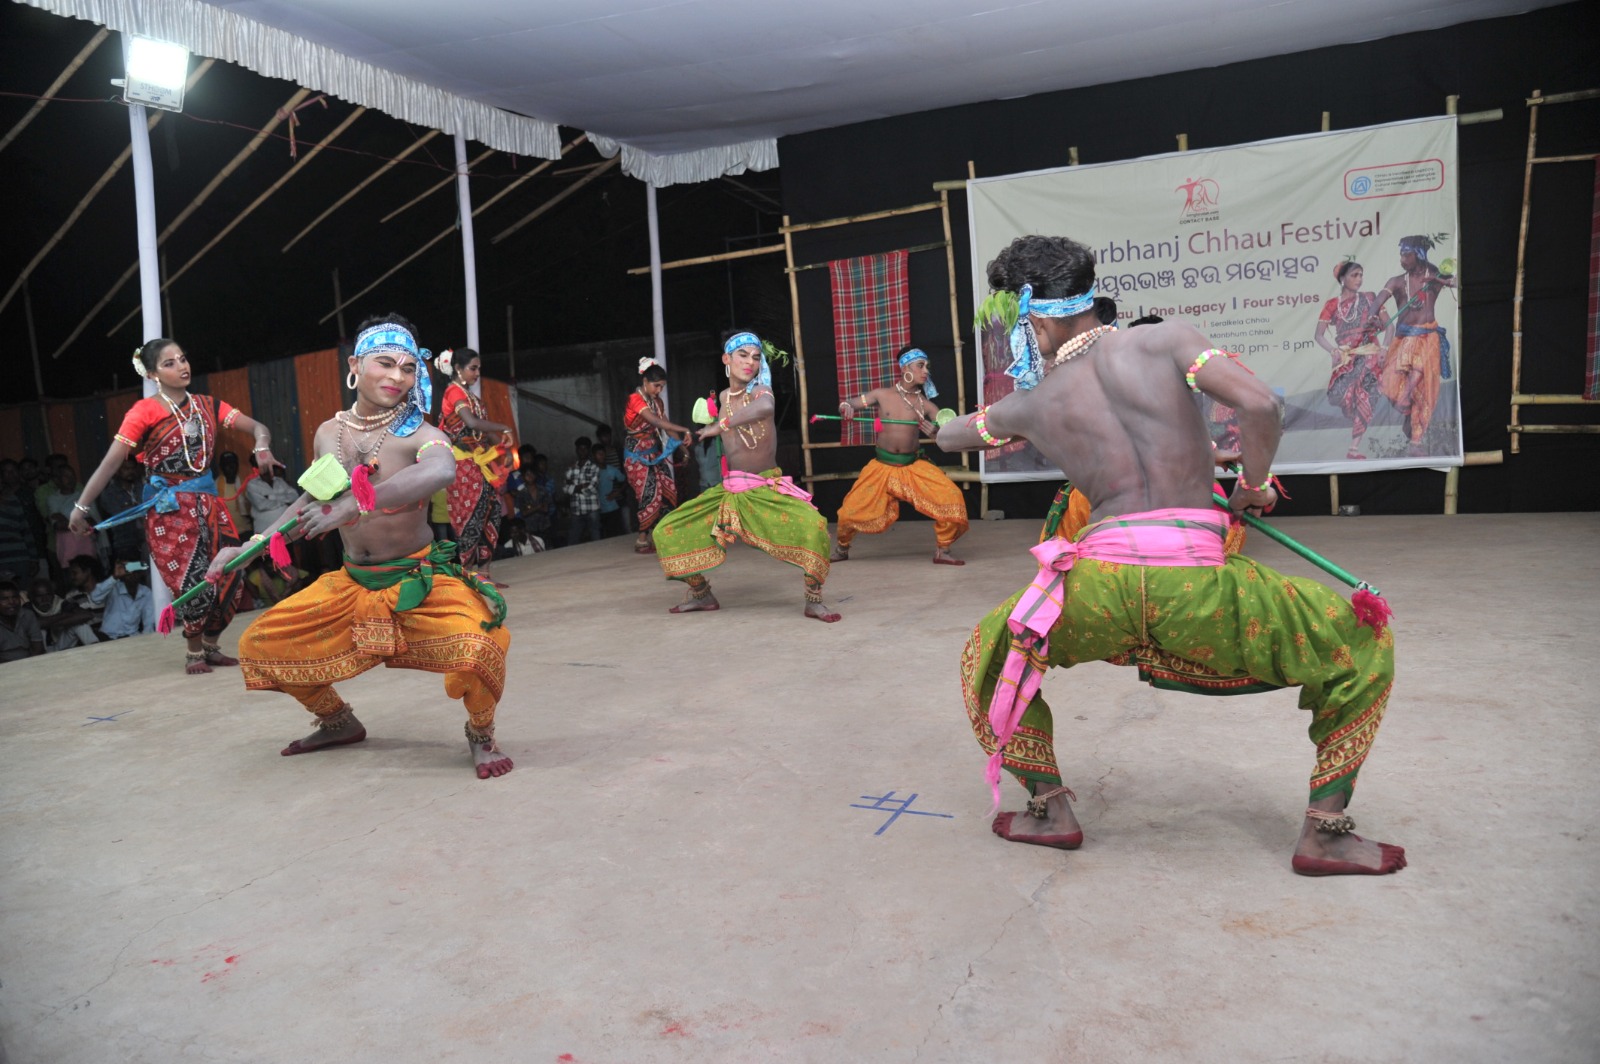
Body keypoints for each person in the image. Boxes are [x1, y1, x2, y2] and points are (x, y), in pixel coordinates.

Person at [937, 234, 1401, 877]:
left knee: (990, 655)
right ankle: (1324, 832)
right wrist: (1254, 485)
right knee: (1364, 640)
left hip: (1096, 592)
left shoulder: (1030, 404)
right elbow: (1260, 403)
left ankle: (1048, 808)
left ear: (1033, 319)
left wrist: (950, 416)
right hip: (1198, 592)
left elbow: (950, 436)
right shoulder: (1167, 340)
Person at [220, 313, 514, 780]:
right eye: (385, 363)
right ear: (355, 365)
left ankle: (481, 733)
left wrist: (357, 502)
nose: (398, 376)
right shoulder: (329, 433)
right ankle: (339, 722)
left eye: (408, 368)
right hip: (352, 582)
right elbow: (311, 503)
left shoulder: (421, 434)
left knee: (481, 645)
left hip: (417, 580)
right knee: (261, 643)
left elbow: (441, 470)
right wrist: (248, 549)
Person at [69, 338, 283, 674]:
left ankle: (211, 645)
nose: (182, 367)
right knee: (193, 582)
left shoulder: (208, 405)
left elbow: (258, 427)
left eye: (183, 359)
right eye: (169, 363)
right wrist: (81, 507)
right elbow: (111, 463)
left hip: (210, 507)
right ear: (152, 374)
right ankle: (194, 652)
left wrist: (262, 446)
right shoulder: (144, 411)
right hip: (170, 511)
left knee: (232, 577)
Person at [652, 331, 840, 622]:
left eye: (755, 357)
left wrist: (720, 425)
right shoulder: (722, 397)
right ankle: (702, 593)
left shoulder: (761, 391)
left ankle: (813, 601)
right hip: (729, 490)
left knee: (815, 526)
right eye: (743, 355)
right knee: (667, 530)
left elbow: (765, 408)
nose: (750, 362)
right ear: (726, 359)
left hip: (765, 487)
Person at [831, 345, 968, 565]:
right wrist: (846, 407)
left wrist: (936, 433)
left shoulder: (926, 405)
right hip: (881, 467)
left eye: (927, 366)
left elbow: (950, 436)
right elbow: (850, 403)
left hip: (912, 466)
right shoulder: (881, 395)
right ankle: (842, 548)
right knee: (849, 512)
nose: (926, 371)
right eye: (920, 365)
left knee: (951, 497)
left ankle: (943, 550)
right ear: (905, 368)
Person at [1372, 235, 1456, 455]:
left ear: (1418, 255)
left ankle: (1416, 443)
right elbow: (1378, 301)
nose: (1401, 259)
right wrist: (1372, 316)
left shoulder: (1435, 275)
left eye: (1405, 255)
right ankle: (1407, 406)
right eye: (1401, 255)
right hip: (1404, 338)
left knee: (1425, 391)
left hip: (1428, 337)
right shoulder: (1397, 281)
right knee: (1391, 383)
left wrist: (1441, 281)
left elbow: (1458, 282)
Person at [436, 347, 515, 582]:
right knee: (470, 518)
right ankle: (468, 576)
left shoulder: (470, 397)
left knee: (491, 515)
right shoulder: (453, 392)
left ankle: (484, 574)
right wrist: (504, 427)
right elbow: (471, 422)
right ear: (458, 369)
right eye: (473, 368)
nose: (477, 373)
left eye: (479, 368)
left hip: (480, 465)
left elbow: (482, 430)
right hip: (463, 466)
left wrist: (505, 449)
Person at [1313, 261, 1387, 459]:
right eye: (1354, 275)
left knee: (1367, 396)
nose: (1359, 279)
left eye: (1361, 275)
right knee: (1341, 397)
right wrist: (1333, 351)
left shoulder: (1371, 298)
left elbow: (1389, 326)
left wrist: (1384, 348)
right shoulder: (1332, 304)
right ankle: (1354, 432)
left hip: (1370, 353)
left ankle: (1353, 448)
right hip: (1347, 356)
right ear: (1342, 278)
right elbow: (1319, 335)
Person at [624, 359, 694, 554]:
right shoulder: (635, 399)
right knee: (650, 494)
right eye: (656, 386)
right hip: (637, 455)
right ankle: (641, 539)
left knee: (668, 489)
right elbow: (657, 422)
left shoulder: (657, 402)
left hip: (654, 452)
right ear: (645, 381)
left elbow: (666, 427)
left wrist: (682, 449)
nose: (659, 390)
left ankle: (660, 536)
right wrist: (685, 429)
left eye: (662, 386)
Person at [88, 557, 157, 638]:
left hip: (132, 638)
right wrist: (114, 577)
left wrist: (146, 640)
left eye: (134, 569)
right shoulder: (113, 587)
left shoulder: (146, 592)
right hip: (108, 636)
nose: (130, 573)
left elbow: (149, 622)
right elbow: (95, 598)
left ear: (141, 573)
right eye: (127, 569)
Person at [28, 574, 99, 651]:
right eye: (39, 596)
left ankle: (97, 651)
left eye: (48, 595)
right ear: (32, 597)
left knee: (80, 625)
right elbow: (35, 624)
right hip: (40, 652)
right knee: (40, 631)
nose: (44, 599)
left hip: (60, 645)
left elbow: (87, 615)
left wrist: (51, 623)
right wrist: (64, 616)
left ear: (53, 595)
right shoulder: (28, 608)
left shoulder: (61, 603)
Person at [97, 458, 147, 563]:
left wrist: (131, 507)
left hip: (146, 540)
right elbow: (120, 514)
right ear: (117, 470)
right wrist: (138, 508)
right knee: (131, 571)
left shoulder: (142, 486)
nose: (130, 471)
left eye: (132, 468)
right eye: (126, 468)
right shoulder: (110, 493)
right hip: (125, 543)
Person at [0, 459, 40, 586]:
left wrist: (33, 557)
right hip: (3, 559)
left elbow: (26, 530)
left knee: (23, 592)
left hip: (19, 557)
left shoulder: (12, 499)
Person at [563, 437, 601, 545]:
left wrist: (574, 487)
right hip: (576, 509)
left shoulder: (594, 468)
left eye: (585, 449)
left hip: (592, 509)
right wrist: (581, 487)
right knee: (573, 539)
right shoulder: (571, 468)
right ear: (576, 450)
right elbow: (565, 488)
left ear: (589, 451)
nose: (582, 451)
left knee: (596, 537)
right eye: (580, 449)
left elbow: (592, 488)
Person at [0, 580, 44, 661]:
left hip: (29, 661)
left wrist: (29, 665)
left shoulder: (27, 615)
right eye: (4, 599)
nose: (11, 602)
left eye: (15, 597)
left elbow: (38, 647)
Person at [216, 450, 253, 537]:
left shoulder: (245, 482)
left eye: (233, 463)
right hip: (227, 534)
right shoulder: (215, 486)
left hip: (246, 531)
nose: (231, 467)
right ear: (221, 467)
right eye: (227, 464)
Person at [594, 444, 628, 538]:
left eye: (602, 453)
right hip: (597, 509)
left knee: (616, 534)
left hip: (612, 507)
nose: (601, 456)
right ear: (594, 456)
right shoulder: (591, 471)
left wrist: (617, 492)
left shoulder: (612, 470)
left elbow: (626, 481)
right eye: (598, 454)